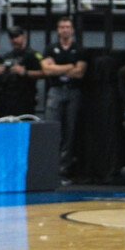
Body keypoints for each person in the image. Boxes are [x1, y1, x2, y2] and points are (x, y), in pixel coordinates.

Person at [42, 17, 87, 178]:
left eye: (68, 27)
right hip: (55, 90)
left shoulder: (78, 49)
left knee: (70, 130)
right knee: (53, 127)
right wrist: (69, 67)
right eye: (62, 27)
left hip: (73, 91)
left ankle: (64, 169)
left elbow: (80, 72)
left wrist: (56, 68)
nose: (65, 30)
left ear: (72, 29)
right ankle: (50, 167)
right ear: (58, 30)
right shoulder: (50, 48)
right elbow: (46, 71)